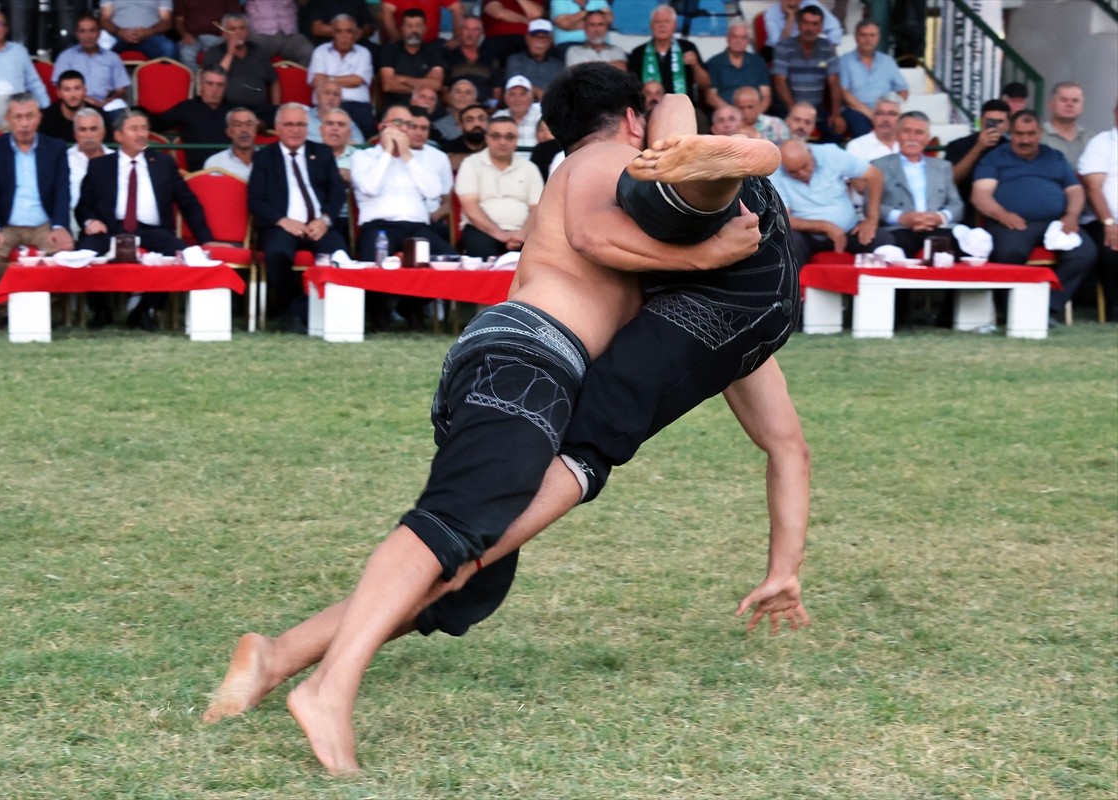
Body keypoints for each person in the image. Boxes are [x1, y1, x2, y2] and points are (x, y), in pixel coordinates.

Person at [202, 65, 807, 775]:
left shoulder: (671, 269)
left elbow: (779, 432)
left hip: (526, 369)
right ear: (633, 126)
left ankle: (276, 657)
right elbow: (590, 232)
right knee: (451, 525)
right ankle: (329, 691)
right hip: (529, 358)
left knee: (463, 570)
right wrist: (706, 241)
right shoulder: (596, 160)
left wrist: (784, 568)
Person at [75, 109, 216, 330]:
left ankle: (144, 310)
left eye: (144, 128)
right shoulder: (100, 166)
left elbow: (188, 202)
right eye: (134, 129)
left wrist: (205, 239)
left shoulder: (163, 163)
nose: (141, 134)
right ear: (119, 135)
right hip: (111, 228)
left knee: (180, 253)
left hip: (151, 230)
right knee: (84, 251)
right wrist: (90, 221)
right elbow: (83, 205)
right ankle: (101, 310)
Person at [971, 110, 1096, 320]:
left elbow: (1075, 190)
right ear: (1011, 132)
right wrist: (1003, 215)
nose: (1025, 140)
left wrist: (1072, 215)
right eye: (1019, 134)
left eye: (1031, 134)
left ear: (1039, 133)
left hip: (1055, 223)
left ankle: (1046, 308)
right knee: (1007, 254)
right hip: (1011, 223)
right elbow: (980, 194)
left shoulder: (1054, 156)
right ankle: (1012, 310)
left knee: (1084, 253)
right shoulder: (996, 157)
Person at [350, 104, 457, 328]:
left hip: (417, 227)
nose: (404, 130)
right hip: (379, 226)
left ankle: (411, 305)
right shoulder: (365, 156)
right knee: (372, 265)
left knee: (451, 263)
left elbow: (433, 192)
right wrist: (388, 153)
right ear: (383, 127)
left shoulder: (419, 158)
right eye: (398, 123)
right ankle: (379, 314)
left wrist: (407, 155)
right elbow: (369, 187)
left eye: (408, 125)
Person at [249, 102, 347, 331]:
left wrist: (325, 220)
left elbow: (337, 193)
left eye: (301, 124)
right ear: (278, 127)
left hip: (318, 225)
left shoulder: (321, 153)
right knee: (277, 254)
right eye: (289, 124)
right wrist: (283, 221)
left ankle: (324, 314)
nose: (295, 130)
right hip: (283, 226)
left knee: (340, 255)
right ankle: (293, 308)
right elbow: (255, 200)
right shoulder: (265, 157)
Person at [0, 93, 73, 291]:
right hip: (6, 225)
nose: (24, 123)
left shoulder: (55, 148)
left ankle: (45, 305)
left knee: (63, 253)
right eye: (18, 117)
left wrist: (61, 226)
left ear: (39, 118)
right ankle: (7, 307)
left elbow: (63, 189)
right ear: (8, 120)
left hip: (43, 225)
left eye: (30, 116)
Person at [770, 139, 888, 264]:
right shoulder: (775, 171)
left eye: (805, 166)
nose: (802, 173)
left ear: (810, 152)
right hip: (807, 235)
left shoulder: (830, 154)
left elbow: (874, 175)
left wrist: (871, 220)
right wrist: (824, 226)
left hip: (848, 231)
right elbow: (783, 218)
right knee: (787, 242)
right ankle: (794, 283)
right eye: (793, 172)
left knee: (883, 239)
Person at [874, 111, 963, 255]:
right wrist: (901, 217)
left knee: (966, 244)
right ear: (897, 134)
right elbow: (870, 205)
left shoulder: (942, 167)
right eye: (906, 131)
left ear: (927, 138)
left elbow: (956, 205)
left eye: (919, 133)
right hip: (899, 229)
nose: (912, 138)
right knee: (891, 248)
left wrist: (938, 217)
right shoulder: (878, 166)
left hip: (937, 228)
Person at [455, 115, 544, 257]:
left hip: (524, 232)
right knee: (481, 252)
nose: (503, 142)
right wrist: (499, 234)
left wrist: (523, 234)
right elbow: (469, 206)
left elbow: (537, 208)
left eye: (509, 137)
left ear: (517, 140)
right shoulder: (471, 164)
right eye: (496, 136)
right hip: (481, 231)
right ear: (487, 138)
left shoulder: (529, 168)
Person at [771, 5, 844, 141]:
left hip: (815, 108)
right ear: (799, 25)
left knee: (835, 132)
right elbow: (779, 81)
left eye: (815, 24)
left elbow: (834, 81)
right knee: (780, 137)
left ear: (821, 27)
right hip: (787, 107)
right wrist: (794, 109)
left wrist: (836, 114)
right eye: (806, 23)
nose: (810, 28)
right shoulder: (784, 47)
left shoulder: (827, 47)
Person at [627, 5, 710, 111]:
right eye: (658, 22)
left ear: (675, 25)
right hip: (649, 111)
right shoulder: (638, 53)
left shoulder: (687, 48)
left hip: (683, 111)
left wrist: (695, 66)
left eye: (666, 21)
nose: (662, 26)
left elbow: (705, 84)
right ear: (651, 25)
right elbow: (631, 90)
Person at [307, 14, 376, 140]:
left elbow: (357, 80)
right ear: (333, 33)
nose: (344, 36)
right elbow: (316, 81)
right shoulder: (320, 51)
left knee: (367, 127)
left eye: (349, 31)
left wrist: (329, 79)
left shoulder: (363, 53)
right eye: (339, 31)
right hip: (325, 105)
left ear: (356, 34)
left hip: (357, 106)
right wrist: (347, 79)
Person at [1078, 101, 1117, 322]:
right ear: (1115, 112)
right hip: (1105, 220)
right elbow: (1093, 187)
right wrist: (1110, 223)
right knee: (1112, 250)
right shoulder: (1101, 144)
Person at [837, 19, 908, 139]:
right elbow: (843, 93)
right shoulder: (845, 61)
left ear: (878, 38)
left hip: (884, 109)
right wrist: (870, 113)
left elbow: (903, 89)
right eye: (863, 35)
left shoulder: (887, 61)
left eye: (872, 35)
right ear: (856, 37)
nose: (867, 39)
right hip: (856, 110)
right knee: (861, 129)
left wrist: (892, 108)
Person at [155, 66, 233, 172]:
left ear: (225, 88)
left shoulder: (234, 111)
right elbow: (158, 122)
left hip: (232, 172)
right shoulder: (187, 108)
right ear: (201, 85)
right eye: (209, 84)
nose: (214, 90)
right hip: (199, 173)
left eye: (220, 85)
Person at [203, 12, 280, 119]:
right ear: (224, 33)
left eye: (242, 28)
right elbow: (216, 77)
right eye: (233, 29)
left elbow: (274, 81)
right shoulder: (214, 52)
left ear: (247, 31)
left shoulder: (258, 50)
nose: (238, 33)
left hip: (258, 109)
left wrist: (274, 107)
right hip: (227, 109)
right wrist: (230, 53)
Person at [52, 14, 131, 113]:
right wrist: (84, 99)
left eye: (92, 30)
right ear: (77, 34)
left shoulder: (113, 58)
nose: (88, 36)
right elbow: (60, 89)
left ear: (99, 33)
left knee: (121, 113)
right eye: (83, 31)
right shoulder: (66, 57)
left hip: (106, 106)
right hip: (77, 105)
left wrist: (109, 101)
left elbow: (121, 91)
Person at [944, 98, 1010, 215]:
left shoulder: (1012, 149)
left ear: (1008, 125)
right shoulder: (958, 145)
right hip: (965, 209)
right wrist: (978, 148)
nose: (994, 126)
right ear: (981, 121)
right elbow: (949, 180)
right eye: (990, 121)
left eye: (1000, 121)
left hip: (1003, 207)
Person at [378, 9, 446, 109]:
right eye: (409, 26)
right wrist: (424, 83)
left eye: (418, 26)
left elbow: (436, 84)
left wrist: (403, 79)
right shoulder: (390, 51)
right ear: (402, 29)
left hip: (428, 108)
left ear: (424, 29)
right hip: (396, 108)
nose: (413, 30)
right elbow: (388, 85)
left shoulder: (433, 52)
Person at [406, 108, 455, 241]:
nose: (418, 133)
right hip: (403, 218)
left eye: (424, 128)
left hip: (432, 220)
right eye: (413, 127)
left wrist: (435, 216)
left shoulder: (439, 157)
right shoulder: (394, 154)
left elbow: (448, 198)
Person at [703, 19, 770, 112]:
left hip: (755, 117)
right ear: (728, 38)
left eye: (743, 38)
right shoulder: (714, 63)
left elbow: (766, 96)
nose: (738, 41)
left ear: (748, 41)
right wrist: (733, 115)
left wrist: (754, 115)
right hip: (726, 117)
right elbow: (711, 97)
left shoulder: (758, 62)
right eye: (735, 36)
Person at [66, 108, 113, 239]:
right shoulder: (64, 160)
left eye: (93, 129)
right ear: (75, 134)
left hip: (112, 227)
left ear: (103, 132)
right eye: (83, 129)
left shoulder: (116, 159)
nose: (88, 135)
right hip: (73, 229)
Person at [442, 15, 504, 108]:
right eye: (466, 28)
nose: (470, 34)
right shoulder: (448, 56)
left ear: (481, 33)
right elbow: (444, 92)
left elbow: (497, 93)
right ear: (459, 31)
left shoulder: (490, 57)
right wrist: (460, 108)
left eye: (475, 30)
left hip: (484, 112)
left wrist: (485, 108)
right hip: (455, 111)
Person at [38, 71, 111, 145]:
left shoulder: (99, 117)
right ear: (58, 93)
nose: (73, 95)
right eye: (67, 90)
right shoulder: (45, 118)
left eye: (77, 88)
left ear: (85, 91)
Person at [318, 108, 356, 238]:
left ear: (349, 132)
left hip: (348, 219)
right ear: (320, 130)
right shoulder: (307, 154)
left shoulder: (361, 157)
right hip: (316, 218)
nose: (335, 128)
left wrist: (352, 178)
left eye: (341, 125)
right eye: (329, 124)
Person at [174, 0, 241, 71]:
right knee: (185, 53)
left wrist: (228, 34)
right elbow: (179, 20)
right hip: (193, 36)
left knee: (227, 51)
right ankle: (195, 80)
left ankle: (218, 80)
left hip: (219, 36)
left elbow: (235, 18)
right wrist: (184, 34)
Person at [505, 20, 565, 100]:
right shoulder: (516, 59)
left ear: (550, 41)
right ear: (527, 38)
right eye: (536, 36)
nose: (540, 42)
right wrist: (536, 91)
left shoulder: (558, 64)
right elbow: (514, 86)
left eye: (545, 37)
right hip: (522, 105)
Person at [100, 0, 177, 60]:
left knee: (168, 47)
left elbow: (166, 21)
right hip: (117, 36)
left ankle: (161, 79)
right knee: (97, 46)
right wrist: (119, 32)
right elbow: (104, 19)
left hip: (150, 36)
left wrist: (149, 32)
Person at [244, 0, 314, 65]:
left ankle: (295, 76)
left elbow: (305, 2)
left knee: (308, 52)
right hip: (261, 34)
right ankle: (266, 77)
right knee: (253, 53)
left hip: (289, 33)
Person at [762, 0, 843, 57]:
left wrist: (829, 48)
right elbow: (780, 47)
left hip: (807, 47)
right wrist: (790, 19)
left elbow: (834, 28)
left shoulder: (811, 5)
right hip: (775, 52)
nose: (791, 2)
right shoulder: (771, 14)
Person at [1041, 81, 1092, 168]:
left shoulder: (1091, 138)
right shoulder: (1037, 136)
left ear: (1082, 107)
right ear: (1051, 105)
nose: (1070, 104)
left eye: (1075, 101)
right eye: (1063, 100)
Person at [203, 107, 258, 180]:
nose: (244, 130)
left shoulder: (271, 161)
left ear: (255, 130)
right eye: (237, 125)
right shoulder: (215, 163)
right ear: (229, 132)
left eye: (249, 124)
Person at [845, 93, 901, 162]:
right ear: (873, 117)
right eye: (880, 113)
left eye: (892, 114)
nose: (885, 119)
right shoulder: (857, 146)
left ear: (901, 119)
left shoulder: (908, 145)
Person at [383, 0, 464, 46]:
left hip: (431, 43)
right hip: (405, 44)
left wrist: (457, 38)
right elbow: (385, 12)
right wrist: (397, 40)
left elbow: (457, 8)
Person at [303, 0, 375, 46]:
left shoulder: (359, 2)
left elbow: (369, 27)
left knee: (376, 53)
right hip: (328, 44)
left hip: (358, 43)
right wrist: (346, 32)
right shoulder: (317, 2)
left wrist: (361, 32)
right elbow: (317, 29)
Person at [496, 75, 541, 148]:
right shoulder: (497, 117)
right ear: (505, 98)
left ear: (531, 98)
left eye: (522, 94)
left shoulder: (542, 117)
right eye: (512, 94)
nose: (517, 99)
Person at [443, 102, 489, 171]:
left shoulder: (497, 145)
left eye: (481, 119)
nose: (477, 124)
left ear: (488, 123)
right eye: (470, 120)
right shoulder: (448, 148)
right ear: (461, 126)